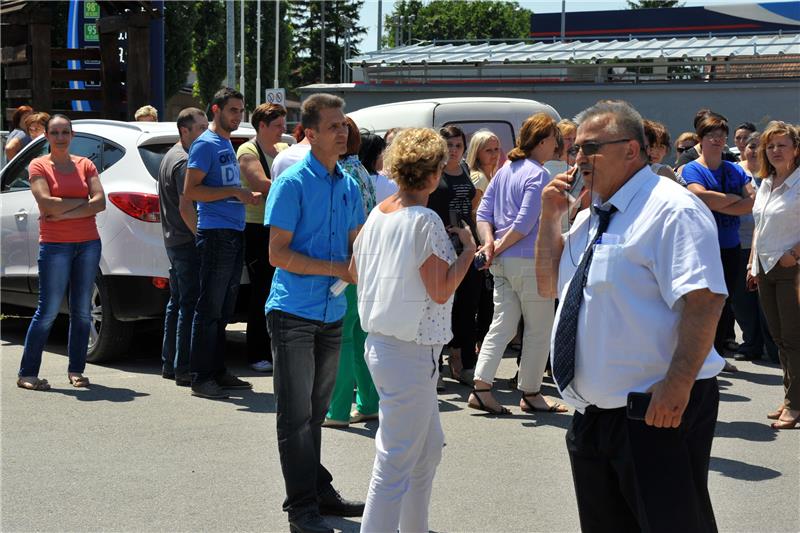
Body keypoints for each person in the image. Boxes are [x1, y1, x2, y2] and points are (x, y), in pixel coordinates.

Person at [535, 100, 726, 532]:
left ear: (632, 150)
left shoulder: (671, 209)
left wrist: (676, 386)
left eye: (591, 148)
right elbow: (549, 286)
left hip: (653, 413)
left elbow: (704, 300)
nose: (579, 159)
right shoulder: (590, 215)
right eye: (575, 149)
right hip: (594, 417)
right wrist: (550, 218)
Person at [353, 127, 476, 533]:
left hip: (391, 345)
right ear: (434, 173)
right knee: (397, 460)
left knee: (424, 452)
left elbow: (356, 271)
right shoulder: (423, 220)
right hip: (408, 350)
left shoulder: (380, 211)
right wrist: (469, 254)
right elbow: (440, 291)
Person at [264, 93, 366, 533]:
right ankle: (301, 508)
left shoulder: (346, 182)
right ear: (309, 134)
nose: (342, 132)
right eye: (333, 126)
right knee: (295, 416)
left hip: (332, 311)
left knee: (316, 413)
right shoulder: (292, 182)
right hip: (293, 312)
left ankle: (317, 489)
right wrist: (336, 267)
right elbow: (277, 253)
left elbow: (356, 242)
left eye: (343, 125)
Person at [468, 112, 567, 415]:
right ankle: (531, 392)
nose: (557, 144)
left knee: (502, 324)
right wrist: (495, 247)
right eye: (554, 138)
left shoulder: (505, 169)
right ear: (543, 141)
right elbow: (524, 224)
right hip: (529, 260)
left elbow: (483, 213)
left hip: (503, 263)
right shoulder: (538, 174)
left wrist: (490, 246)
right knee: (539, 328)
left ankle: (481, 387)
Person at [16, 114, 106, 391]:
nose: (60, 137)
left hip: (88, 244)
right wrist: (81, 205)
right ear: (46, 136)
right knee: (48, 310)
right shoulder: (38, 165)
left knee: (81, 311)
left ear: (72, 135)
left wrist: (63, 209)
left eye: (65, 132)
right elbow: (45, 202)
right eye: (55, 133)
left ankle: (76, 370)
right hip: (55, 246)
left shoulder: (85, 164)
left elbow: (100, 202)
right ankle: (27, 373)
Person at [183, 87, 259, 399]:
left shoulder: (225, 142)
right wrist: (234, 193)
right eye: (233, 110)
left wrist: (241, 194)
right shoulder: (206, 144)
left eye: (240, 111)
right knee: (210, 308)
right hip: (215, 234)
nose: (238, 116)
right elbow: (192, 191)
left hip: (231, 231)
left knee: (224, 309)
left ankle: (217, 371)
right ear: (216, 110)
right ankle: (201, 376)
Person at [683, 112, 754, 366]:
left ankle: (715, 355)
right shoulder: (692, 168)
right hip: (702, 248)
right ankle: (698, 356)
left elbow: (753, 202)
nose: (717, 140)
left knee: (723, 304)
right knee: (701, 303)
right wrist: (734, 201)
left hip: (730, 247)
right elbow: (699, 196)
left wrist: (720, 202)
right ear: (700, 139)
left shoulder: (733, 169)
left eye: (721, 136)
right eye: (711, 135)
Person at [323, 118, 380, 428]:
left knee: (342, 339)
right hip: (367, 262)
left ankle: (338, 409)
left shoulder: (342, 174)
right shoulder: (362, 172)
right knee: (359, 336)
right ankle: (369, 402)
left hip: (348, 263)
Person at [748, 121, 800, 430]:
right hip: (765, 268)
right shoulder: (765, 182)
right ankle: (792, 397)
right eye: (770, 145)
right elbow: (760, 224)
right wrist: (752, 262)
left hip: (791, 269)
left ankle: (794, 405)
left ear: (796, 149)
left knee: (793, 338)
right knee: (780, 338)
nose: (775, 150)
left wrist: (793, 254)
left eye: (782, 145)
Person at [426, 125, 481, 386]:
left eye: (458, 145)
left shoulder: (467, 171)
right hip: (441, 243)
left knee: (467, 306)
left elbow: (472, 208)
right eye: (449, 146)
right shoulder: (433, 172)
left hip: (466, 243)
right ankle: (434, 365)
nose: (454, 151)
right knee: (440, 305)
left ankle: (466, 363)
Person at [236, 103, 289, 373]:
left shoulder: (283, 150)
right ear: (262, 126)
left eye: (284, 124)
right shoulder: (247, 150)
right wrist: (298, 191)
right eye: (278, 125)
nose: (283, 130)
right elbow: (260, 184)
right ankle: (256, 351)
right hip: (257, 228)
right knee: (262, 290)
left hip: (280, 226)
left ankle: (275, 347)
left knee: (280, 288)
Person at [157, 107, 208, 386]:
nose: (205, 132)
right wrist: (200, 236)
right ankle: (183, 367)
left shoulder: (172, 155)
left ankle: (170, 363)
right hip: (186, 241)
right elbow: (187, 206)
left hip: (175, 240)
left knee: (178, 303)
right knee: (189, 304)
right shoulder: (183, 161)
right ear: (184, 131)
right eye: (199, 128)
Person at [732, 131, 778, 362]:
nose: (752, 150)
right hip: (741, 243)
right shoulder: (735, 171)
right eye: (750, 145)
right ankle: (751, 344)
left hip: (770, 246)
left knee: (766, 303)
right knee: (742, 300)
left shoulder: (774, 176)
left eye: (758, 146)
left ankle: (774, 349)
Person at [466, 129, 502, 206]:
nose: (494, 154)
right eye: (488, 150)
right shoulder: (479, 178)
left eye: (496, 149)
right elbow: (471, 210)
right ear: (477, 153)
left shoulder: (491, 176)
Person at [358, 131, 397, 202]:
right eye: (382, 152)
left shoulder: (352, 180)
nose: (384, 156)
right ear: (375, 155)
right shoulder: (389, 185)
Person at [643, 118, 685, 184]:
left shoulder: (674, 175)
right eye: (651, 146)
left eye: (661, 147)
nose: (655, 151)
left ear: (666, 150)